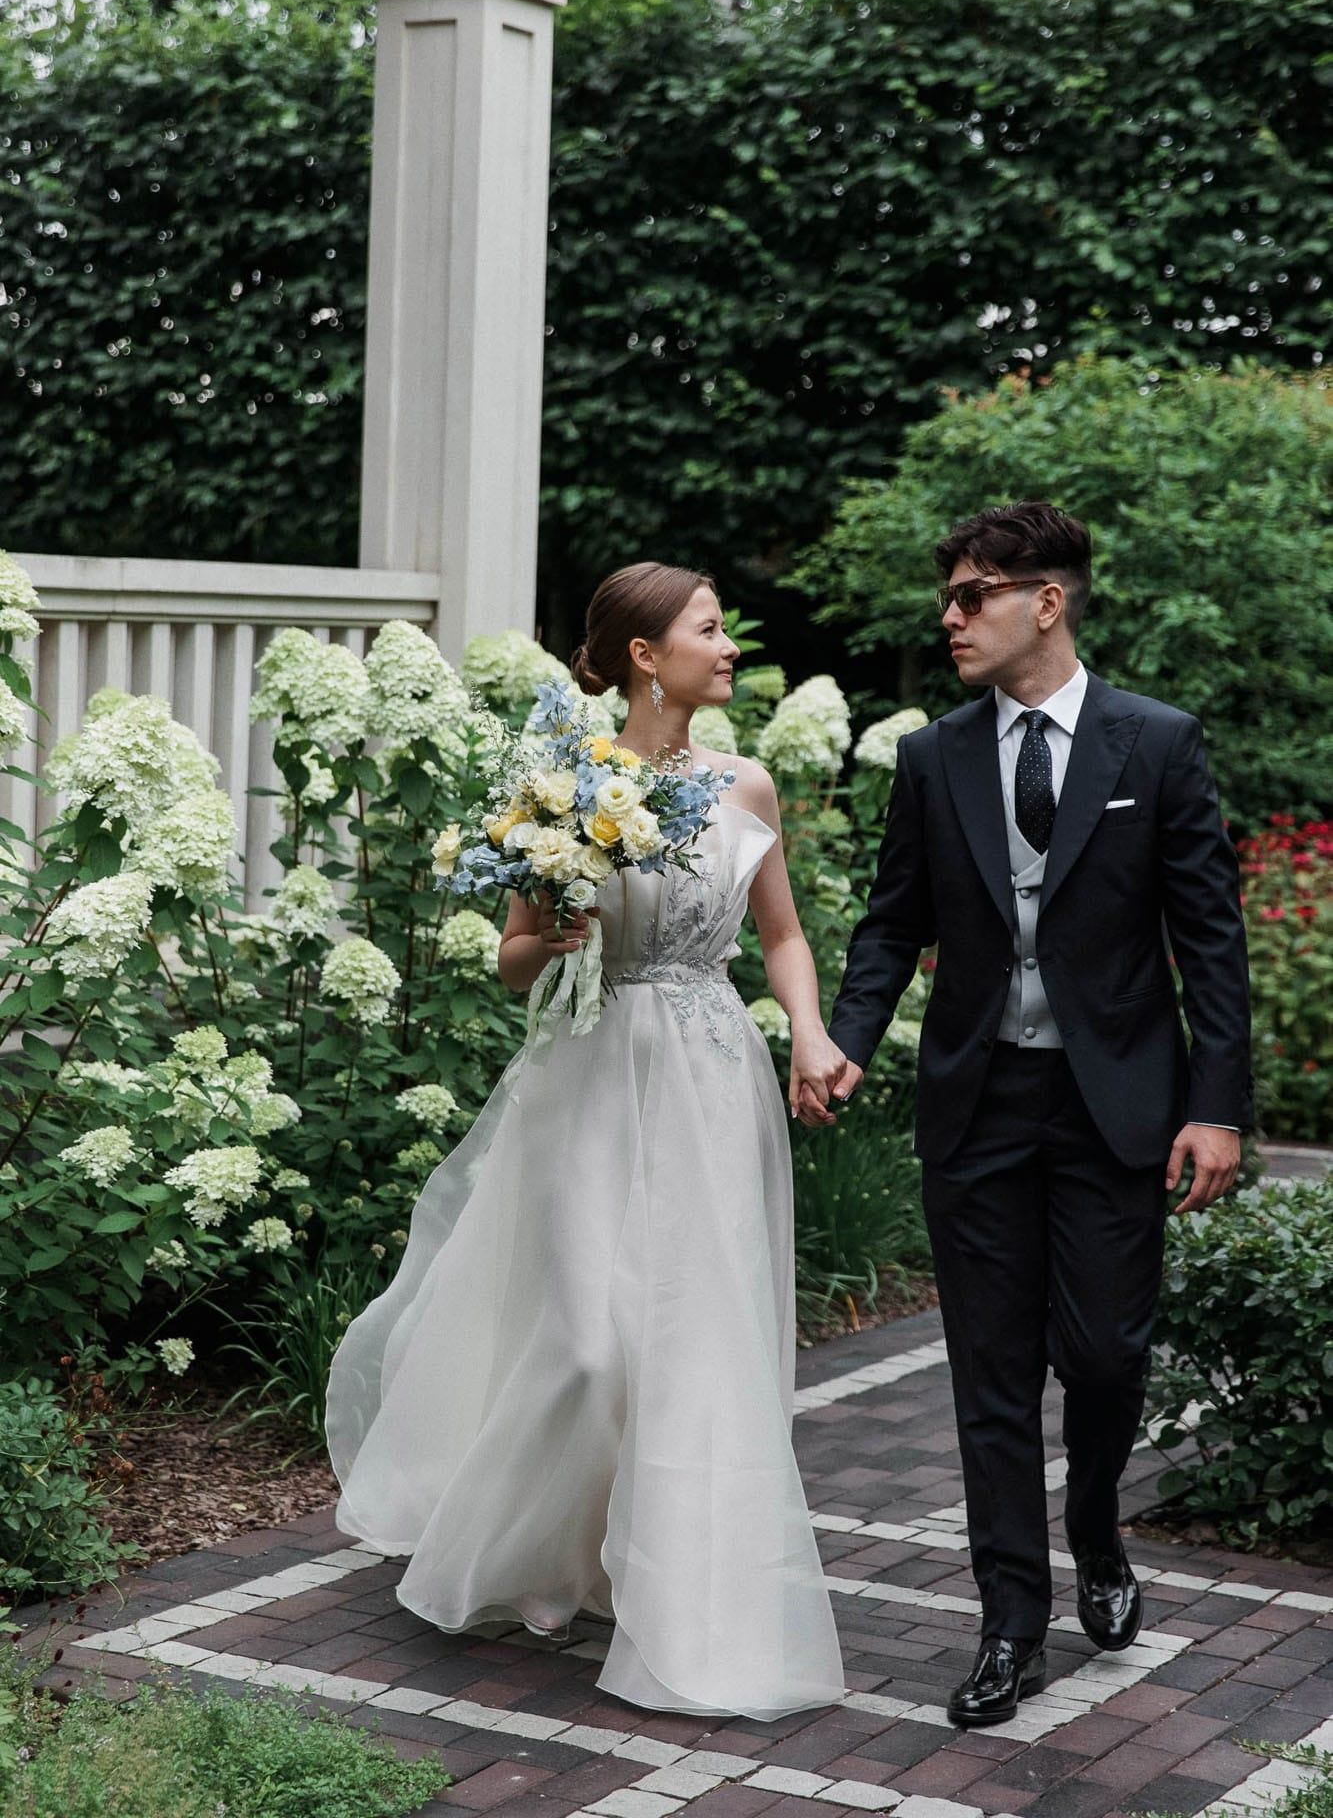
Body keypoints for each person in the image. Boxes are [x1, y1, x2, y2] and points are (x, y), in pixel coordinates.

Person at [326, 563, 846, 1721]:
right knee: (585, 1342)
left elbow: (785, 933)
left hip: (710, 1070)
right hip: (590, 1070)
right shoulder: (558, 780)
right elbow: (510, 957)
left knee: (694, 1331)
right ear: (644, 655)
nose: (730, 646)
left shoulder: (746, 781)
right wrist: (552, 929)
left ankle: (656, 1568)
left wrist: (808, 1033)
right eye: (709, 629)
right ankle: (538, 1548)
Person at [800, 502, 1250, 1728]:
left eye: (971, 596)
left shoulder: (1153, 743)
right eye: (948, 597)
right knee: (990, 1374)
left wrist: (1216, 1106)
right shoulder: (934, 755)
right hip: (977, 1098)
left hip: (1115, 1106)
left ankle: (1095, 1520)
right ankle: (1009, 1620)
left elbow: (1208, 941)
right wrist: (843, 1034)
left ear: (1043, 601)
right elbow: (896, 917)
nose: (949, 617)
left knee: (1103, 1353)